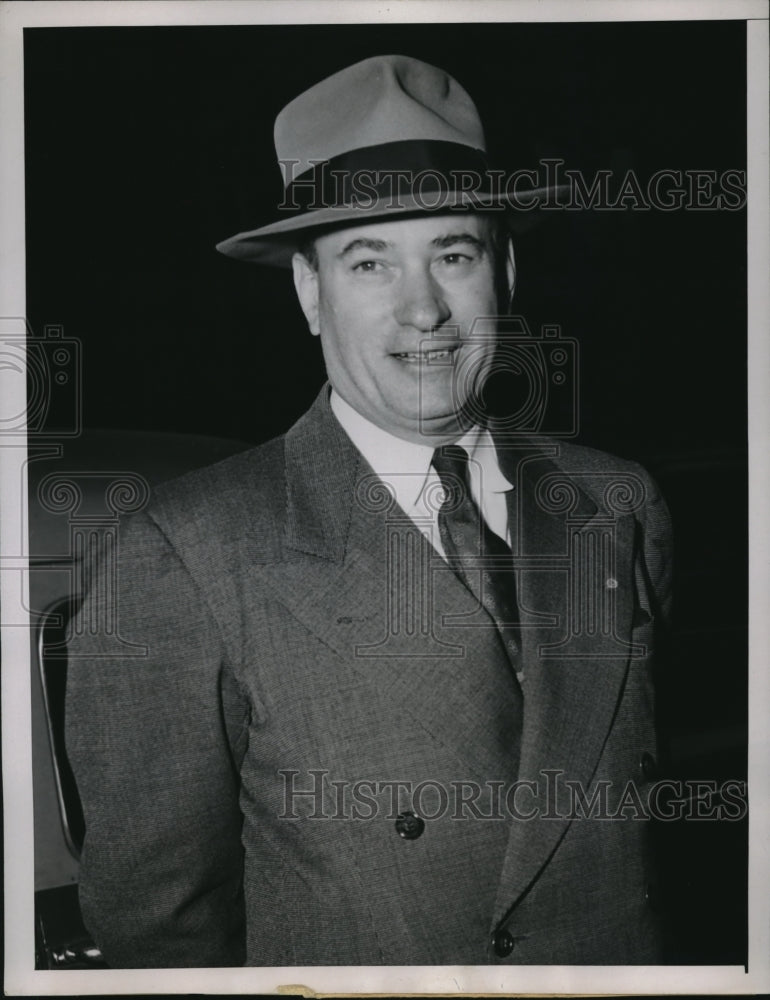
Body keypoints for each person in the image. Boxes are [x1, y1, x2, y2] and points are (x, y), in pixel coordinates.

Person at [65, 54, 673, 968]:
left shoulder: (619, 504)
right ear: (310, 292)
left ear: (504, 272)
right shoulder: (180, 556)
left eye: (454, 255)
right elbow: (162, 936)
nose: (423, 309)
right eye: (369, 261)